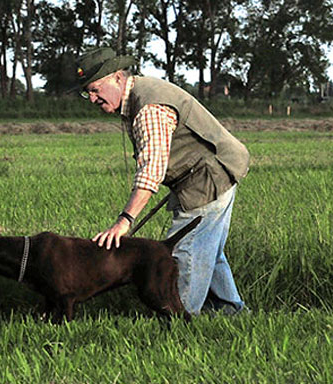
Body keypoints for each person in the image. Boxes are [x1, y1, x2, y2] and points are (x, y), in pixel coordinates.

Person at [76, 46, 249, 316]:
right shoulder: (138, 96)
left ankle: (178, 318)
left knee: (184, 252)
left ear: (117, 78)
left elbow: (151, 170)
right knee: (208, 250)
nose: (92, 98)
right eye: (87, 92)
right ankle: (231, 312)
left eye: (96, 89)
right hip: (208, 173)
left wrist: (124, 221)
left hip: (208, 178)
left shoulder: (149, 108)